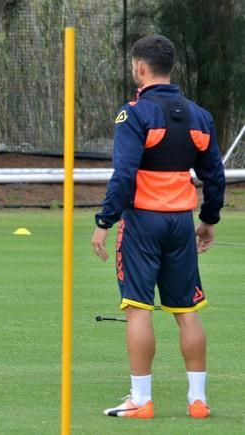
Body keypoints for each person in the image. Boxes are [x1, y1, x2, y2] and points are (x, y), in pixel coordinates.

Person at [91, 35, 225, 418]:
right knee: (187, 310)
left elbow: (125, 174)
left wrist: (105, 221)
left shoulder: (135, 114)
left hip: (142, 223)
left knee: (138, 309)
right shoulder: (199, 116)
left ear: (140, 68)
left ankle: (141, 399)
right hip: (182, 224)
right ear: (171, 68)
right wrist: (209, 220)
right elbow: (214, 176)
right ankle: (198, 401)